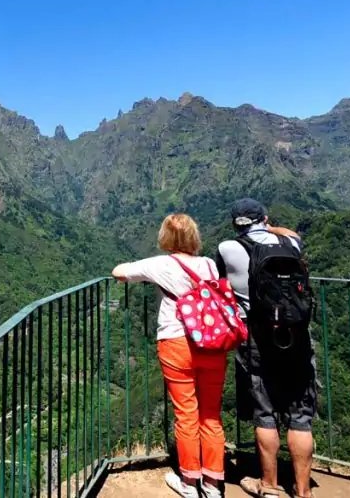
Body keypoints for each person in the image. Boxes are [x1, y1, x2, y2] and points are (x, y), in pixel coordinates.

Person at [113, 213, 227, 498]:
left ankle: (189, 483)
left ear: (166, 237)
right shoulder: (209, 265)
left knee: (186, 414)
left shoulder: (161, 264)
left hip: (176, 342)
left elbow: (119, 271)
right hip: (212, 342)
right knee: (211, 415)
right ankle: (213, 486)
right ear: (193, 236)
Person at [215, 198, 317, 498]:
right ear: (265, 219)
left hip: (255, 339)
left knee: (265, 412)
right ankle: (303, 491)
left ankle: (269, 484)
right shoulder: (292, 245)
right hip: (297, 338)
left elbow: (220, 283)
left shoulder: (227, 249)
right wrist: (272, 226)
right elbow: (295, 235)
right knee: (300, 416)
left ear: (236, 224)